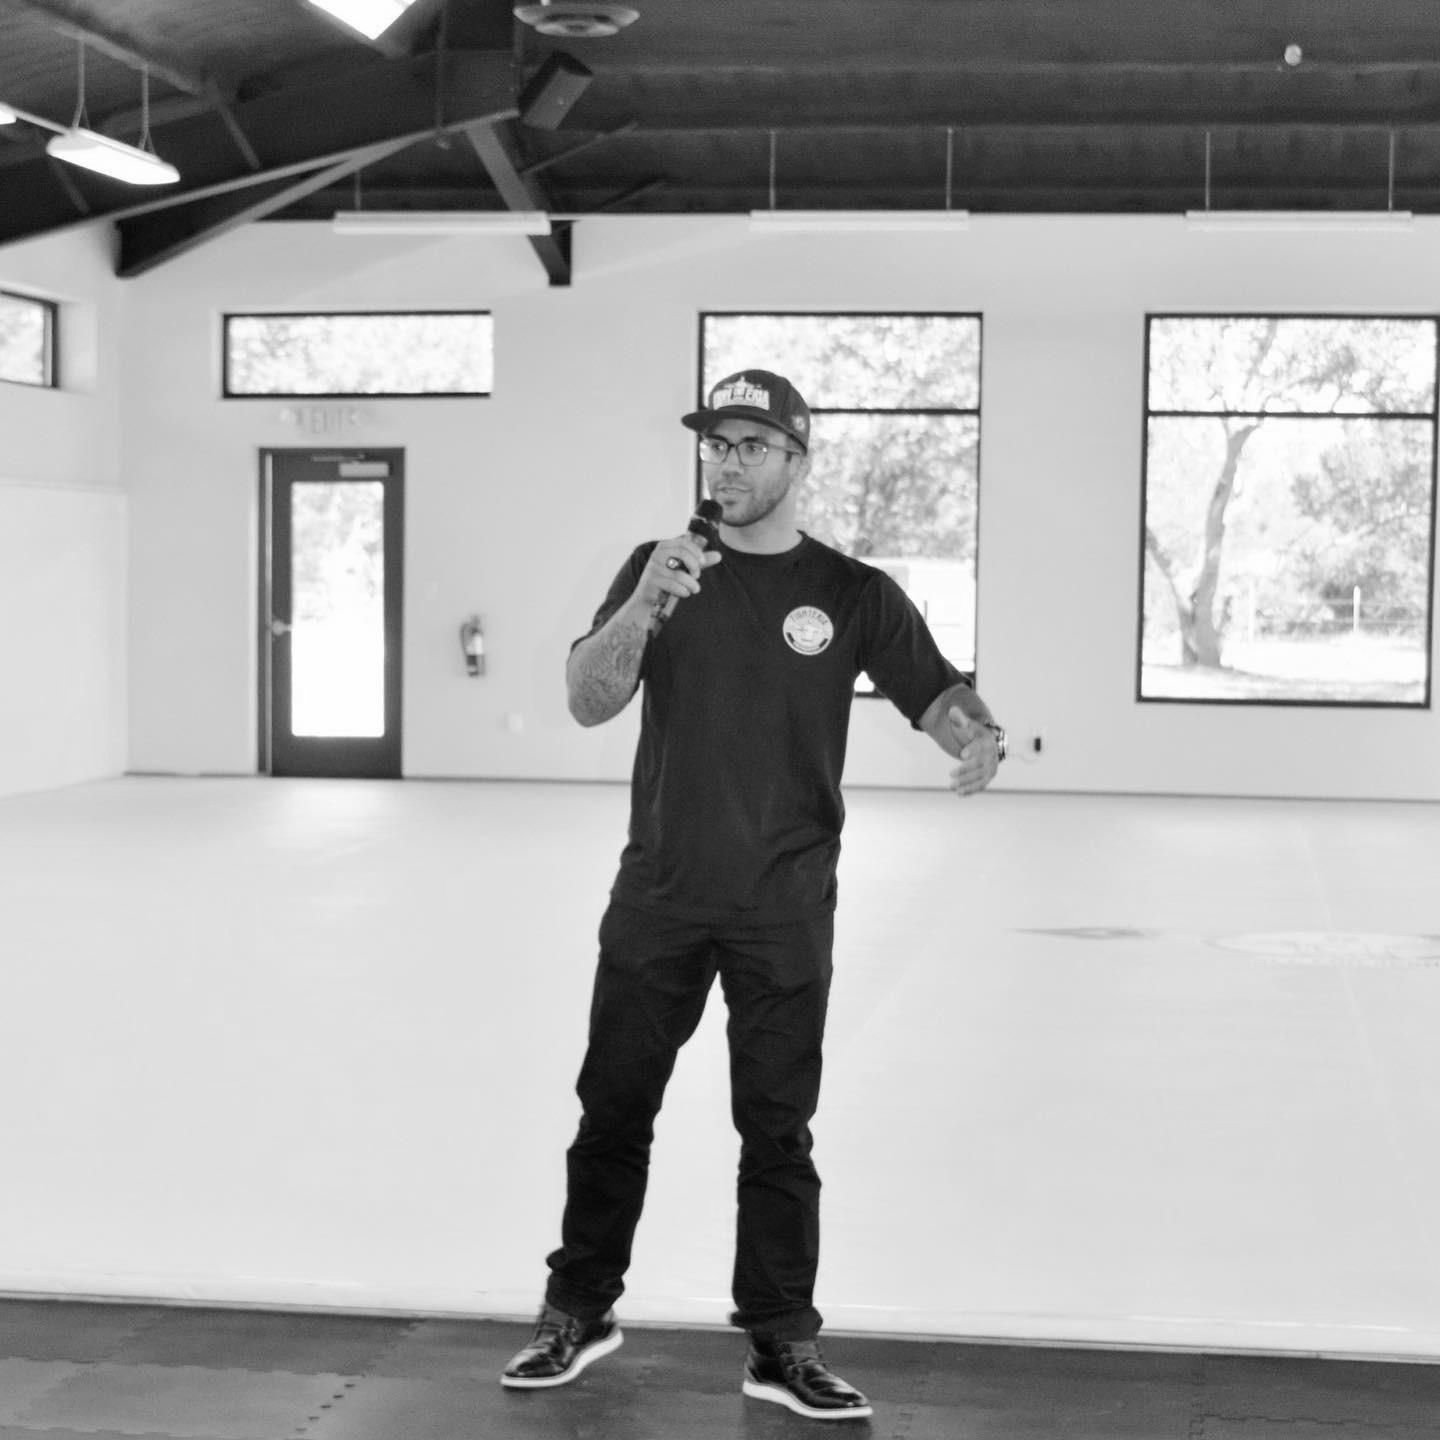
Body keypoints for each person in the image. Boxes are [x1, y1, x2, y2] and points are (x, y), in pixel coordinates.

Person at [501, 368, 1005, 1420]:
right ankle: (577, 1309)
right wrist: (645, 604)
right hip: (661, 894)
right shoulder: (661, 568)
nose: (726, 463)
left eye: (749, 445)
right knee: (614, 1110)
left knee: (778, 1131)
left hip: (784, 906)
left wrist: (978, 736)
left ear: (795, 460)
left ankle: (780, 1343)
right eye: (715, 445)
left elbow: (937, 692)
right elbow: (588, 701)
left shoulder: (853, 592)